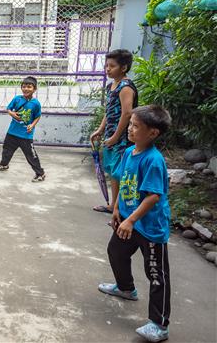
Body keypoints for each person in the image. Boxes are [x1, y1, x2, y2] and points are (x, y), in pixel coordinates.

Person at [98, 105, 172, 343]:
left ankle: (159, 325)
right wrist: (117, 209)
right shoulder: (130, 152)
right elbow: (122, 180)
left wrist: (130, 219)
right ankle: (126, 288)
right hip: (128, 219)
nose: (130, 129)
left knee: (156, 275)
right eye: (130, 124)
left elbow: (153, 196)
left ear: (153, 133)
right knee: (116, 252)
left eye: (135, 126)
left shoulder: (153, 160)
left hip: (149, 227)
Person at [90, 49, 138, 214]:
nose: (107, 69)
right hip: (112, 134)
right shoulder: (112, 86)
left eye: (112, 66)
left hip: (123, 138)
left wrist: (116, 136)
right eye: (106, 66)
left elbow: (126, 113)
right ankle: (114, 207)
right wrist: (100, 130)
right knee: (112, 171)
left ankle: (120, 209)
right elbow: (109, 111)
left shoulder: (126, 87)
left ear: (123, 68)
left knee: (120, 173)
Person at [0, 76, 45, 182]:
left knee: (31, 156)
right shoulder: (17, 99)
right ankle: (4, 164)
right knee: (6, 150)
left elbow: (38, 116)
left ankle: (40, 173)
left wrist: (32, 125)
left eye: (29, 87)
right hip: (12, 132)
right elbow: (8, 109)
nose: (26, 89)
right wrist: (12, 114)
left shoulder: (36, 104)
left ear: (34, 89)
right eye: (24, 86)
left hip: (25, 134)